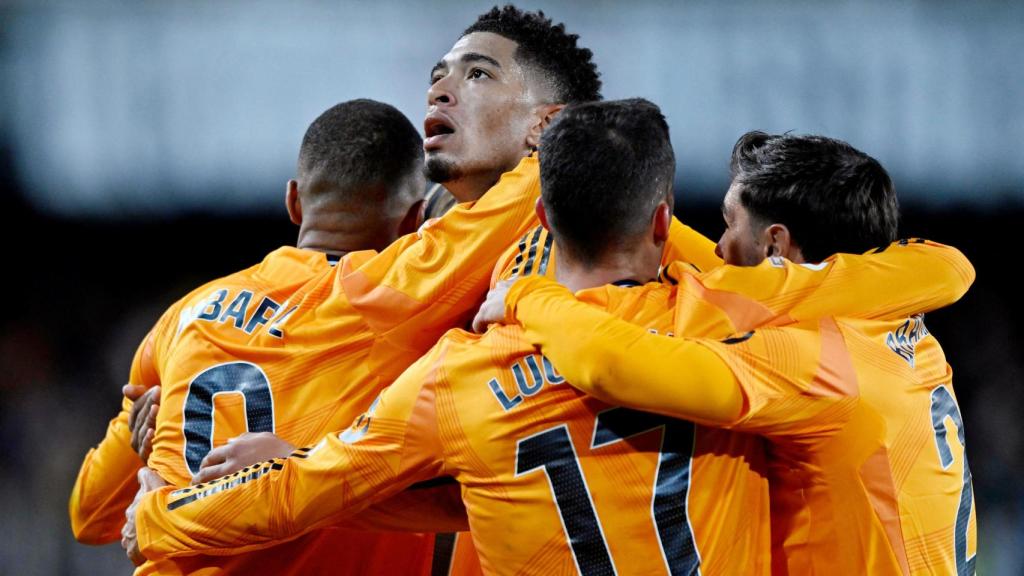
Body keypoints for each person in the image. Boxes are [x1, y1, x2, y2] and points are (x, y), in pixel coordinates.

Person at [127, 100, 973, 575]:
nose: (714, 247)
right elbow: (943, 271)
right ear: (660, 216)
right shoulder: (729, 327)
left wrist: (167, 516)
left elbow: (317, 495)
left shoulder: (457, 376)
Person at [475, 131, 977, 574]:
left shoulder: (806, 359)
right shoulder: (900, 317)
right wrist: (619, 203)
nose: (717, 247)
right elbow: (950, 266)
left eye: (729, 224)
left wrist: (528, 297)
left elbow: (613, 366)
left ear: (775, 244)